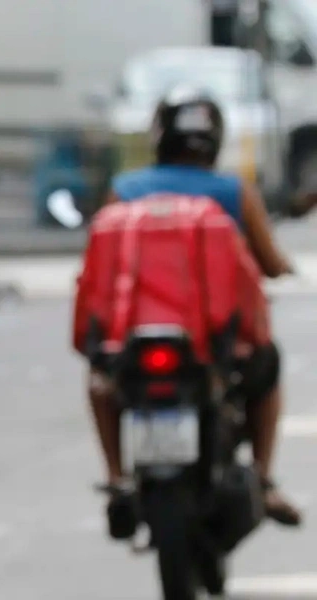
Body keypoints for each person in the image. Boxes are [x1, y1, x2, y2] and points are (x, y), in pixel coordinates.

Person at [92, 85, 301, 535]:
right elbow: (269, 263)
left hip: (133, 340)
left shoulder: (125, 190)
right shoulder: (233, 192)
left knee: (101, 381)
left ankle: (115, 477)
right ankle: (265, 480)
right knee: (268, 367)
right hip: (215, 344)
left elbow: (99, 269)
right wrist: (282, 266)